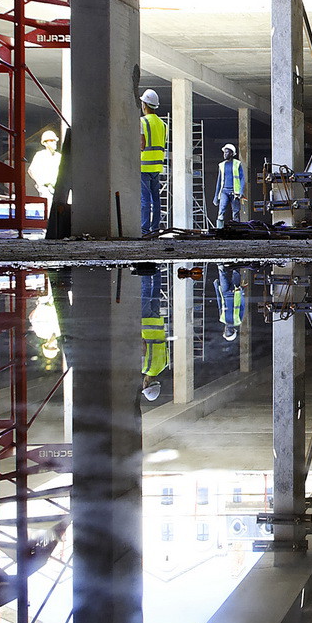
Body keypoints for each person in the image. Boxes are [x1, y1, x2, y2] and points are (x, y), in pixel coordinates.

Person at [139, 88, 167, 235]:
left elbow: (141, 144)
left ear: (145, 104)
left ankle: (144, 229)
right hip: (157, 166)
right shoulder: (163, 124)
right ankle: (155, 228)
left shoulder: (143, 121)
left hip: (144, 166)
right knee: (156, 199)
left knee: (145, 200)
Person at [141, 268, 169, 401]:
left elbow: (165, 345)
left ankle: (157, 269)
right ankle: (144, 266)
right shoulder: (144, 368)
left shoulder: (165, 364)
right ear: (146, 384)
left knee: (155, 293)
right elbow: (143, 346)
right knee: (145, 292)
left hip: (157, 323)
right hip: (145, 323)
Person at [212, 143, 246, 226]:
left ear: (231, 154)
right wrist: (216, 196)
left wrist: (241, 191)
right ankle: (219, 230)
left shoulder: (237, 164)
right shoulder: (221, 165)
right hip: (224, 192)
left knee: (236, 212)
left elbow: (242, 178)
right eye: (224, 152)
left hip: (235, 193)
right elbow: (219, 182)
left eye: (227, 152)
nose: (225, 154)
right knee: (221, 211)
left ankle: (236, 231)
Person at [30, 128, 62, 207]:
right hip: (46, 189)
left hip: (58, 189)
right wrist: (40, 184)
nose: (54, 142)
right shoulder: (40, 155)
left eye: (54, 140)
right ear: (45, 143)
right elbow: (31, 170)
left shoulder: (59, 157)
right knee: (49, 211)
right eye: (51, 141)